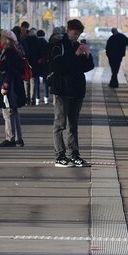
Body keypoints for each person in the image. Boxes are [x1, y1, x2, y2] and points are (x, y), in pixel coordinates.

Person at [48, 19, 95, 167]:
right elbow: (58, 66)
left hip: (77, 91)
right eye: (75, 33)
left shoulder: (78, 46)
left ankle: (74, 154)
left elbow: (87, 68)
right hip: (62, 90)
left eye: (79, 34)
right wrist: (75, 54)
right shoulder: (58, 46)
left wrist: (87, 55)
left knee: (73, 125)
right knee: (60, 124)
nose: (76, 36)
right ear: (68, 31)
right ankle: (60, 155)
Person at [0, 29, 27, 147]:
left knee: (8, 112)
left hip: (10, 87)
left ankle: (10, 138)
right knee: (14, 112)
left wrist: (5, 85)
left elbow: (9, 71)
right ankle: (18, 138)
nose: (0, 39)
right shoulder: (15, 51)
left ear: (7, 40)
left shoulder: (9, 52)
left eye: (2, 37)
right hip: (14, 86)